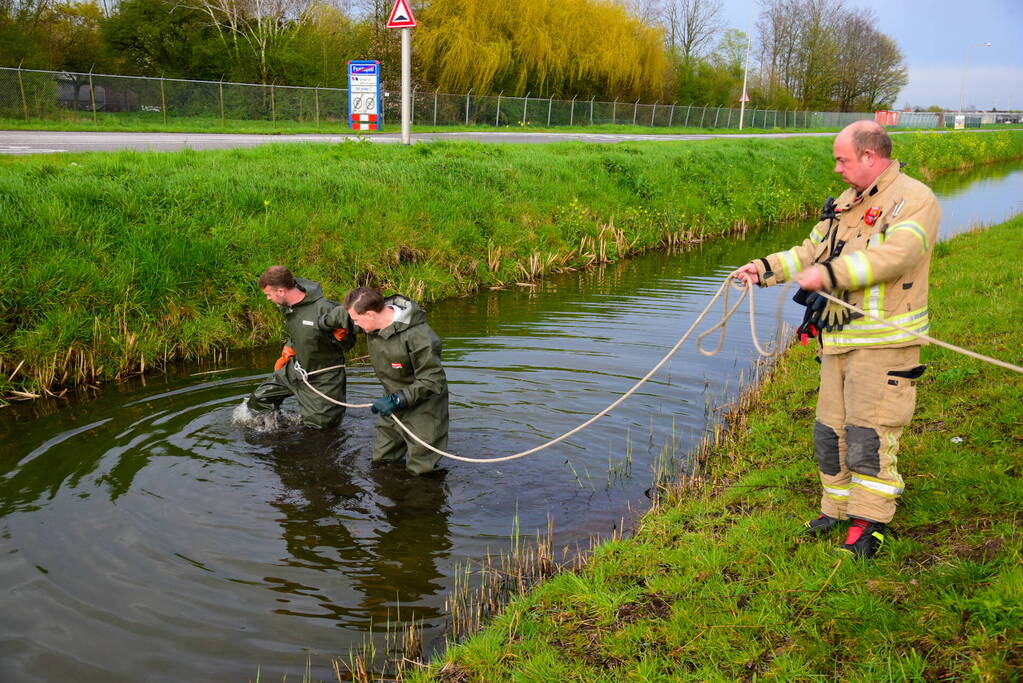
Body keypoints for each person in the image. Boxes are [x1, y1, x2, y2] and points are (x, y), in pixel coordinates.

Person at [732, 120, 940, 559]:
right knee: (829, 433)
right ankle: (838, 509)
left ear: (870, 155)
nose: (838, 169)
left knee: (869, 435)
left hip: (885, 344)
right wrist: (763, 268)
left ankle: (870, 522)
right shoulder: (847, 203)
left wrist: (830, 274)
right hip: (838, 341)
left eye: (842, 159)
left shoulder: (914, 200)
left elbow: (896, 255)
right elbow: (809, 253)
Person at [321, 287, 449, 475]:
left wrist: (397, 400)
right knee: (382, 460)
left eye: (356, 320)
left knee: (421, 470)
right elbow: (342, 316)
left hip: (424, 407)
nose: (354, 324)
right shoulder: (370, 319)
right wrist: (323, 324)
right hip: (390, 398)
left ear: (370, 314)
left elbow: (432, 380)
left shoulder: (421, 337)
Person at [245, 266, 356, 429]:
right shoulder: (287, 306)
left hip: (324, 378)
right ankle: (275, 432)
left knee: (320, 429)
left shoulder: (325, 308)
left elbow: (349, 343)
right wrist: (289, 348)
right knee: (259, 400)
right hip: (294, 369)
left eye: (268, 294)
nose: (268, 298)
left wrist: (342, 337)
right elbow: (300, 331)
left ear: (281, 291)